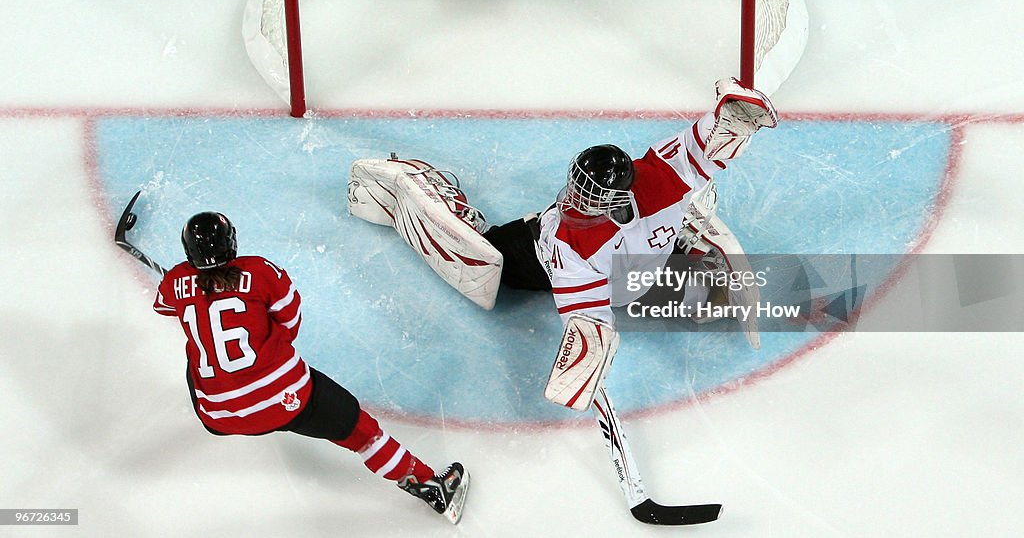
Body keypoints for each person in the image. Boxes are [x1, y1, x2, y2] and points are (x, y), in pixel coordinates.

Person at [347, 77, 776, 408]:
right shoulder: (661, 174)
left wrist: (583, 363)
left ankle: (690, 264)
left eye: (590, 197)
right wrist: (732, 113)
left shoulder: (572, 243)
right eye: (579, 187)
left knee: (496, 255)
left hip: (599, 275)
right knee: (695, 295)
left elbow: (589, 317)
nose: (577, 199)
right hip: (645, 268)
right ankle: (692, 255)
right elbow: (708, 142)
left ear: (617, 198)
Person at [153, 211, 469, 523]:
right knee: (361, 432)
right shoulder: (261, 271)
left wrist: (191, 287)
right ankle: (430, 486)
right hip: (288, 401)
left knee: (195, 353)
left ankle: (232, 397)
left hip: (219, 416)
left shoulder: (174, 281)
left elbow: (164, 307)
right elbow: (290, 321)